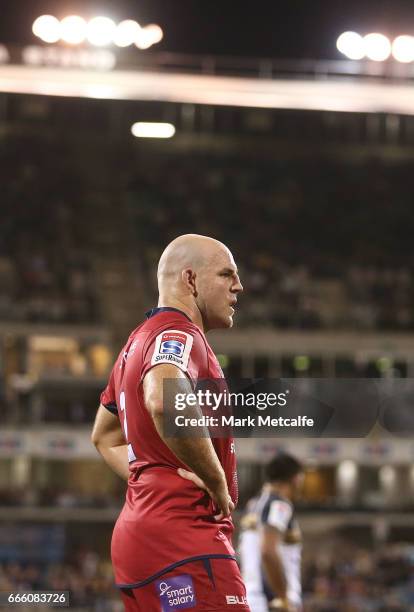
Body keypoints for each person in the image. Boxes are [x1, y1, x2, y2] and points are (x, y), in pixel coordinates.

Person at [91, 234, 249, 611]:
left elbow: (105, 438)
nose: (238, 286)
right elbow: (164, 400)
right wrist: (216, 482)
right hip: (185, 540)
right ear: (190, 280)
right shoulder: (177, 334)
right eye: (227, 274)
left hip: (140, 542)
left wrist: (153, 476)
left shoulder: (135, 343)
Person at [239, 454, 304, 612]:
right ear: (295, 478)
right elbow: (268, 551)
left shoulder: (254, 504)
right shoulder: (278, 504)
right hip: (269, 600)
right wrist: (283, 599)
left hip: (250, 596)